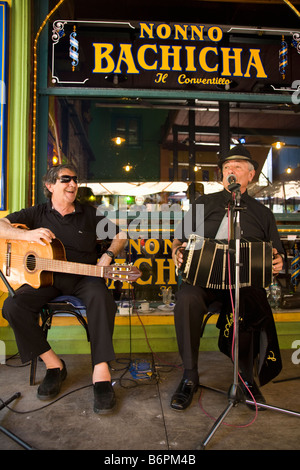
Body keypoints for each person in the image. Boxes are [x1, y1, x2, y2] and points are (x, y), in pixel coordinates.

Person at [0, 164, 127, 414]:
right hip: (45, 279)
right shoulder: (36, 213)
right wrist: (26, 236)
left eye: (75, 180)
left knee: (102, 298)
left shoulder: (89, 214)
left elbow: (121, 234)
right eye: (65, 179)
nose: (72, 184)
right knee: (13, 307)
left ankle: (101, 373)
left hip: (83, 277)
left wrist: (109, 256)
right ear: (50, 186)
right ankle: (54, 365)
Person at [171, 145, 284, 411]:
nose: (230, 171)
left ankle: (246, 378)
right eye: (226, 168)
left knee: (252, 301)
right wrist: (177, 251)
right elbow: (178, 240)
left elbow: (277, 254)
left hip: (244, 284)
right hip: (204, 282)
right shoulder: (203, 203)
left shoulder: (263, 213)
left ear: (251, 175)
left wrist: (278, 263)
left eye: (237, 167)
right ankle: (189, 375)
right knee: (186, 297)